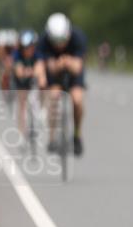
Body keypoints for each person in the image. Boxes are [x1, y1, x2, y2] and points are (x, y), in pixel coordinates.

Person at [38, 12, 88, 156]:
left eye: (62, 40)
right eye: (56, 41)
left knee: (77, 100)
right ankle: (52, 137)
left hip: (74, 71)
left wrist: (67, 62)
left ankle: (77, 135)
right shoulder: (44, 41)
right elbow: (44, 65)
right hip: (54, 73)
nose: (59, 45)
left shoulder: (78, 37)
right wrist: (54, 67)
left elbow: (78, 67)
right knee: (53, 98)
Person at [11, 29, 46, 137]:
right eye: (25, 47)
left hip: (33, 77)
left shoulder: (37, 53)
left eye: (30, 47)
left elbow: (40, 66)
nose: (28, 50)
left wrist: (35, 73)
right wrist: (24, 72)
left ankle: (42, 108)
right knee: (22, 104)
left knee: (42, 80)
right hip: (21, 81)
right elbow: (18, 71)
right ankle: (22, 133)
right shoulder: (17, 54)